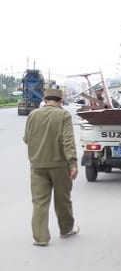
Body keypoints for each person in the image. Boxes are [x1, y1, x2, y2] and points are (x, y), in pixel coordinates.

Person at [23, 88, 79, 246]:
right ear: (61, 101)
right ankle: (66, 229)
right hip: (60, 165)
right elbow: (67, 141)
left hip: (37, 165)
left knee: (39, 202)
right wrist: (72, 163)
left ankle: (41, 238)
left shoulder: (33, 115)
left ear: (44, 99)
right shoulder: (63, 115)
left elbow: (26, 139)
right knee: (63, 200)